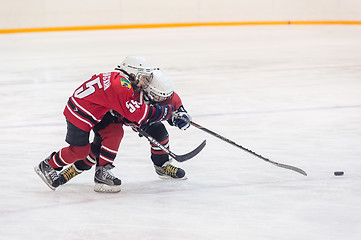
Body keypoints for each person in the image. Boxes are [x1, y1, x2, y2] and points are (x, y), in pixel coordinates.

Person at [35, 56, 191, 193]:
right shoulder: (126, 88)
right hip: (99, 115)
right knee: (97, 146)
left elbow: (171, 101)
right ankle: (72, 168)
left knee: (159, 133)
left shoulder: (151, 87)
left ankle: (162, 166)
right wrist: (164, 113)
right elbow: (136, 113)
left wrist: (180, 114)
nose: (161, 100)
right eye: (143, 79)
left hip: (99, 111)